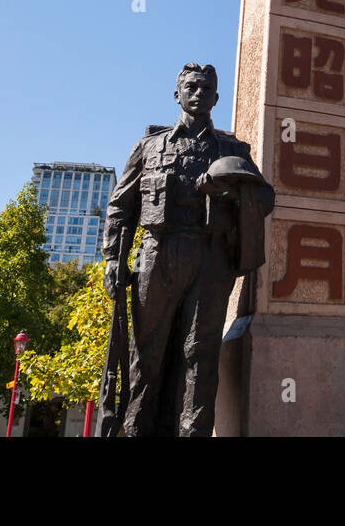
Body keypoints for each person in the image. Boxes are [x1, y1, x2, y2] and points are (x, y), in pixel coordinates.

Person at [101, 63, 274, 436]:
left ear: (216, 98)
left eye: (206, 88)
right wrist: (114, 259)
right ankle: (136, 431)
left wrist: (229, 190)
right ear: (177, 94)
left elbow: (265, 197)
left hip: (212, 257)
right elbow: (120, 207)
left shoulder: (232, 149)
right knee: (146, 352)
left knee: (201, 352)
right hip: (157, 254)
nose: (198, 94)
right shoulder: (148, 147)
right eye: (191, 87)